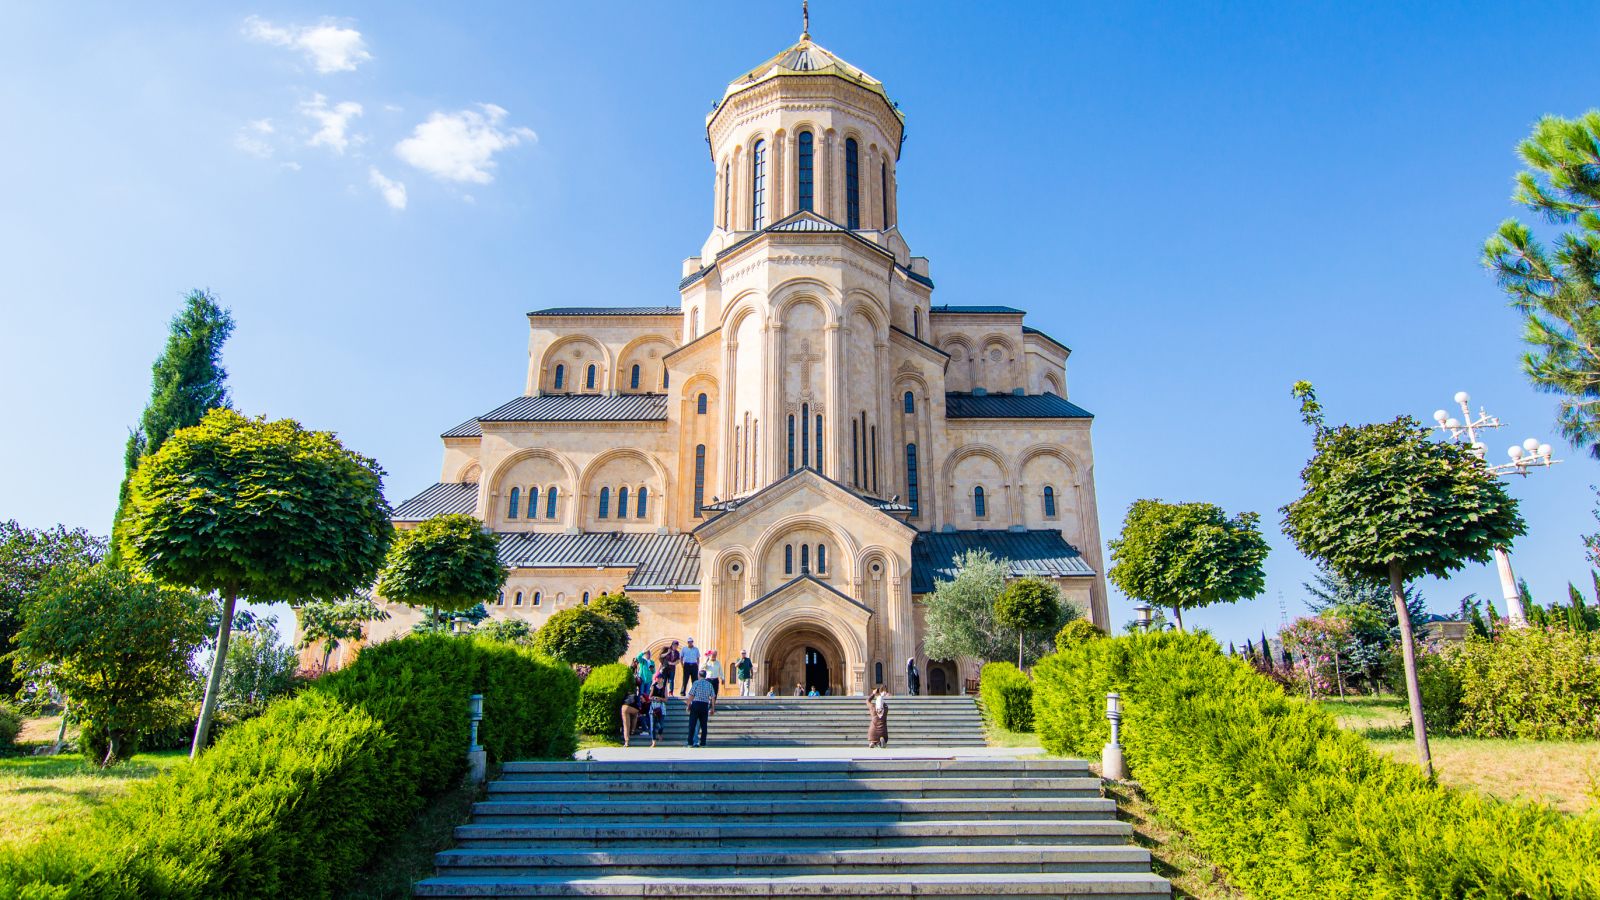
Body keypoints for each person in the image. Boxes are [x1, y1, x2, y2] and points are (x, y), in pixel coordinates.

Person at [684, 669, 716, 747]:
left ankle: (690, 742)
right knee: (704, 725)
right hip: (705, 705)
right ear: (705, 676)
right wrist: (712, 708)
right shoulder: (709, 685)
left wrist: (688, 705)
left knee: (692, 724)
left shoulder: (696, 683)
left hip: (696, 704)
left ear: (699, 676)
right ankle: (703, 743)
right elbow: (713, 697)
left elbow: (691, 694)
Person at [647, 673, 669, 747]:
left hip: (661, 706)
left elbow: (666, 698)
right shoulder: (653, 687)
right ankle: (653, 741)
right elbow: (649, 697)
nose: (658, 680)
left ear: (662, 679)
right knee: (652, 726)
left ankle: (659, 733)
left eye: (660, 678)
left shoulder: (664, 687)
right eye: (657, 678)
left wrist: (660, 699)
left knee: (661, 725)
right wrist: (653, 698)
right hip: (653, 707)